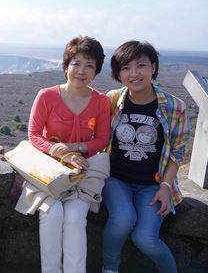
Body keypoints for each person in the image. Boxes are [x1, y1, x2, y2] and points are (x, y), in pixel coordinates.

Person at [102, 41, 190, 273]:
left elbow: (177, 152)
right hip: (116, 179)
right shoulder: (111, 100)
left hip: (153, 185)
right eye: (125, 68)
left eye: (140, 65)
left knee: (146, 239)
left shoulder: (174, 107)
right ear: (118, 74)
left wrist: (165, 186)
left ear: (153, 67)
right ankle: (109, 269)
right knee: (123, 219)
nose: (133, 74)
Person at [26, 36, 111, 273]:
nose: (81, 71)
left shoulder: (101, 102)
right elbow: (33, 135)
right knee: (52, 215)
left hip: (82, 172)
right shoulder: (47, 96)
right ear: (66, 66)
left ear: (96, 71)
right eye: (76, 63)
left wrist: (77, 149)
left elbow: (103, 139)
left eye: (89, 65)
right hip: (48, 171)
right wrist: (56, 149)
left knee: (74, 218)